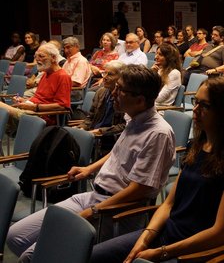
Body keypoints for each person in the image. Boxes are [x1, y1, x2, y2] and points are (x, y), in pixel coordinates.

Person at [7, 65, 176, 263]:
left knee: (32, 256)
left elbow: (140, 189)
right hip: (93, 196)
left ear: (140, 100)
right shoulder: (134, 118)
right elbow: (118, 152)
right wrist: (90, 168)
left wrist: (95, 211)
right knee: (15, 236)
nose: (113, 93)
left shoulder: (158, 133)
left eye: (119, 89)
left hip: (116, 211)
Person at [89, 77, 224, 263]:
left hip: (198, 251)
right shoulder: (197, 145)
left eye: (205, 105)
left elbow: (220, 233)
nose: (195, 109)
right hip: (167, 235)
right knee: (94, 256)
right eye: (196, 101)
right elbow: (168, 204)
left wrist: (162, 252)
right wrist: (144, 240)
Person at [0, 42, 71, 126]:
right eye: (36, 56)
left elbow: (62, 106)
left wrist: (35, 107)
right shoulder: (45, 74)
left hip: (41, 116)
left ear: (53, 58)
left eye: (41, 56)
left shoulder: (62, 76)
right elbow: (39, 98)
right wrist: (25, 101)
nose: (37, 59)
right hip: (32, 111)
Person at [78, 60, 126, 138]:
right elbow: (90, 117)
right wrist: (81, 128)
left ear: (121, 77)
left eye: (110, 74)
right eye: (104, 73)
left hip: (110, 139)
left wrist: (100, 132)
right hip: (93, 134)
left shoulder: (124, 97)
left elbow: (124, 126)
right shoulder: (100, 92)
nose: (105, 77)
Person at [62, 37, 91, 101]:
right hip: (66, 89)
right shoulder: (67, 61)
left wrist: (58, 85)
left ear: (77, 47)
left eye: (68, 47)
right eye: (64, 48)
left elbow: (76, 83)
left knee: (47, 96)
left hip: (75, 92)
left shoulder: (81, 61)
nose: (66, 51)